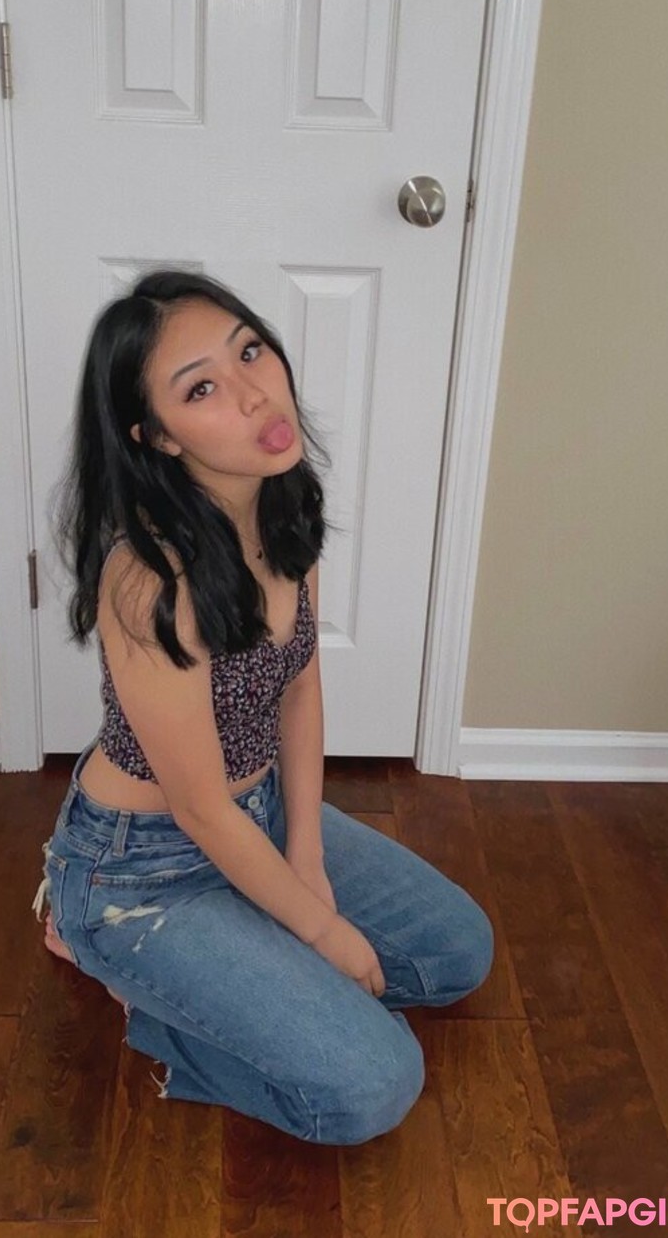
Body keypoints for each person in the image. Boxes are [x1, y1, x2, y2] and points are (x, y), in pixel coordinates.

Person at [31, 270, 493, 1146]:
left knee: (458, 952)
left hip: (262, 812)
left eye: (248, 350)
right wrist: (319, 931)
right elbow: (202, 811)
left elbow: (301, 687)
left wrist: (305, 853)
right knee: (374, 1085)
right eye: (200, 388)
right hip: (146, 870)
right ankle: (115, 962)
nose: (252, 392)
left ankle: (243, 944)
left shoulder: (283, 506)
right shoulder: (148, 580)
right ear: (157, 436)